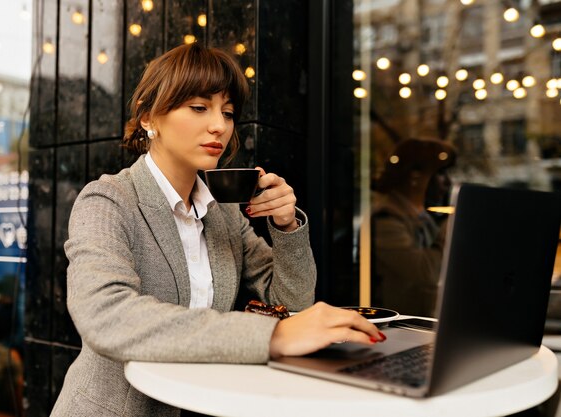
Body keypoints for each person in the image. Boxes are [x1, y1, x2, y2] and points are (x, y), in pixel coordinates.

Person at [50, 43, 385, 417]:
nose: (219, 126)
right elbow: (106, 316)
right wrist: (272, 337)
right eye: (199, 107)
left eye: (227, 113)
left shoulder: (223, 214)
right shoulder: (108, 199)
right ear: (148, 117)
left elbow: (292, 302)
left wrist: (286, 226)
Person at [371, 138, 457, 317]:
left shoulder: (421, 215)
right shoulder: (386, 219)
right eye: (440, 173)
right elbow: (427, 273)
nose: (447, 182)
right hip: (401, 324)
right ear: (414, 176)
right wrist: (450, 229)